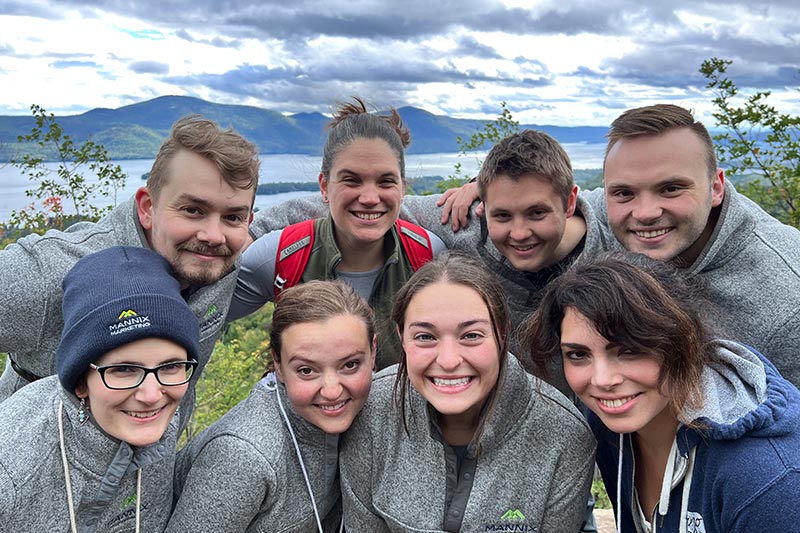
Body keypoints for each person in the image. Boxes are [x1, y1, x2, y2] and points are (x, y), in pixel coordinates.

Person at [247, 129, 611, 393]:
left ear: (568, 203)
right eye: (502, 216)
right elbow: (362, 207)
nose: (518, 233)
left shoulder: (611, 236)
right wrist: (243, 232)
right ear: (484, 205)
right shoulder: (463, 227)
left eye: (536, 214)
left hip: (589, 429)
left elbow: (638, 203)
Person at [0, 115, 261, 422]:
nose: (214, 236)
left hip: (148, 465)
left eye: (232, 217)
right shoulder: (57, 271)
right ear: (148, 208)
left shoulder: (217, 265)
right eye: (193, 210)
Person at [526, 253, 800, 533]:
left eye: (629, 350)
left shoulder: (765, 480)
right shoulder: (609, 424)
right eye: (578, 354)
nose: (603, 380)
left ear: (683, 340)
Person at [339, 253, 595, 532]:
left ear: (502, 333)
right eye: (425, 337)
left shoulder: (563, 435)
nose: (449, 361)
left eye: (471, 335)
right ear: (401, 337)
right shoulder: (371, 410)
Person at [582, 103, 800, 387]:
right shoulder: (613, 213)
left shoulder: (787, 296)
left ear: (716, 188)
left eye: (671, 189)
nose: (645, 213)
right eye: (624, 193)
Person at [230, 97, 444, 369]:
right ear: (324, 186)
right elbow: (200, 315)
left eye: (385, 181)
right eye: (351, 180)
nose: (369, 197)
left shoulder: (426, 256)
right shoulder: (282, 255)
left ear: (403, 188)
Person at [0, 246, 200, 531]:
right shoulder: (12, 472)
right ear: (81, 382)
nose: (152, 395)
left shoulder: (158, 422)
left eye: (170, 366)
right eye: (124, 370)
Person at [167, 280, 374, 532]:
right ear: (278, 364)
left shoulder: (370, 410)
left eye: (350, 365)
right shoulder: (244, 457)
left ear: (373, 351)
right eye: (307, 370)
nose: (332, 391)